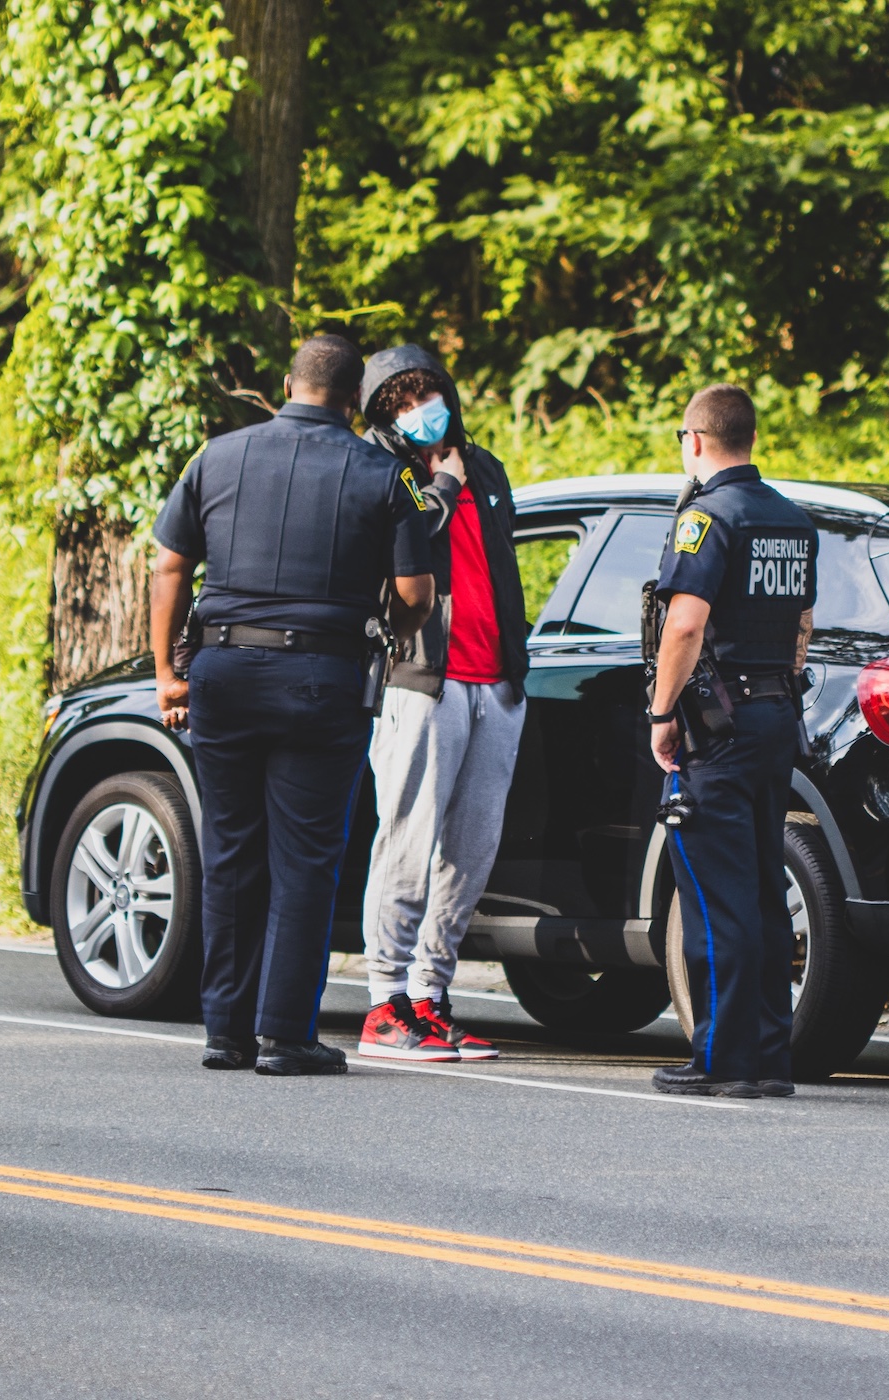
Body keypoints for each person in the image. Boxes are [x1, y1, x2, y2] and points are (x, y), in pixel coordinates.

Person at [150, 334, 433, 1076]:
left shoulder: (215, 457)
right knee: (304, 857)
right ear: (352, 401)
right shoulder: (384, 472)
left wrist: (165, 673)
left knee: (232, 849)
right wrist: (386, 637)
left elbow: (170, 565)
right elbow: (414, 596)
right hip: (320, 677)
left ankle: (225, 1032)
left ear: (287, 384)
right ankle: (285, 1035)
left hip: (223, 672)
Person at [351, 345, 528, 1062]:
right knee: (406, 836)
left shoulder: (484, 468)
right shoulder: (378, 472)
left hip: (496, 680)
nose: (418, 411)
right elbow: (401, 545)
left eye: (425, 396)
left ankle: (430, 994)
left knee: (471, 849)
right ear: (382, 415)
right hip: (421, 676)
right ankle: (383, 1002)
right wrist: (443, 490)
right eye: (399, 403)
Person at [646, 384, 816, 1098]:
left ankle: (722, 1059)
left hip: (718, 726)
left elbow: (684, 624)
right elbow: (803, 624)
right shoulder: (794, 520)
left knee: (717, 896)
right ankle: (770, 1058)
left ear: (695, 440)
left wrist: (662, 713)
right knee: (761, 890)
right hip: (777, 716)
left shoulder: (706, 519)